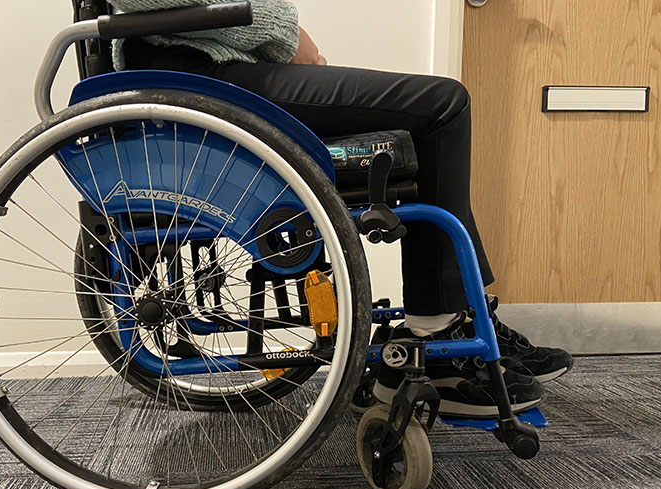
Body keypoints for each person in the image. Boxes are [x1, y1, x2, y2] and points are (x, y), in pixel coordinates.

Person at [107, 0, 573, 417]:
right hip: (196, 77)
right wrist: (284, 34)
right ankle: (438, 335)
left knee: (430, 128)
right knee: (442, 105)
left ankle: (464, 315)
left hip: (201, 69)